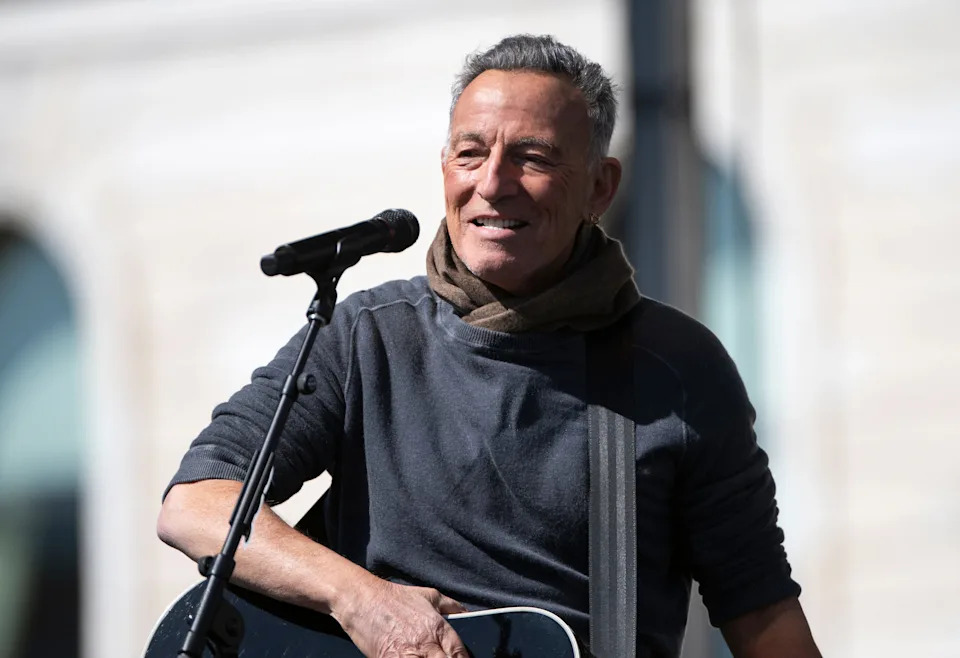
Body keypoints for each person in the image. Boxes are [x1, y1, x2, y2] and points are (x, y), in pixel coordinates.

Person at [158, 34, 821, 658]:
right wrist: (360, 599)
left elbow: (763, 614)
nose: (493, 182)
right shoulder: (365, 335)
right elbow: (196, 504)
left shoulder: (676, 368)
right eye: (470, 153)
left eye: (533, 157)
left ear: (600, 187)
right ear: (445, 168)